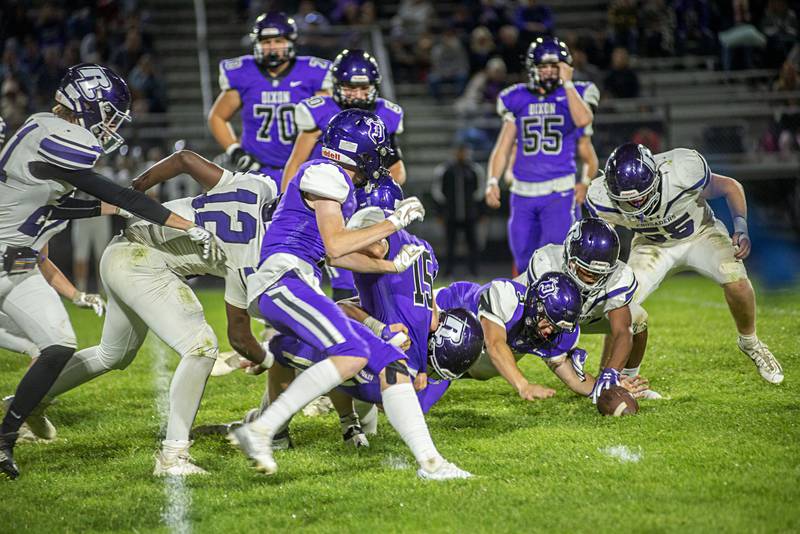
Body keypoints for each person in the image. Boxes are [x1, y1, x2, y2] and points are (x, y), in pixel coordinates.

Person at [0, 63, 215, 480]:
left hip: (18, 258)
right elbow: (113, 190)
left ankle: (5, 436)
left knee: (58, 346)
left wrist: (109, 207)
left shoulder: (41, 132)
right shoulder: (57, 136)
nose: (112, 125)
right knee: (38, 345)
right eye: (111, 113)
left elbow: (54, 205)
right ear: (87, 106)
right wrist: (182, 223)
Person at [230, 109, 470, 480]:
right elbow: (337, 244)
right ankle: (262, 430)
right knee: (354, 351)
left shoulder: (333, 179)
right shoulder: (325, 173)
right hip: (284, 278)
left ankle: (432, 464)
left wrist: (392, 266)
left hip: (296, 281)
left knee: (391, 362)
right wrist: (394, 222)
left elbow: (337, 252)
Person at [30, 150, 278, 476]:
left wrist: (137, 190)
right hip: (140, 262)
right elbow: (240, 337)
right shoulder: (254, 255)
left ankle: (26, 401)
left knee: (113, 354)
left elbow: (186, 159)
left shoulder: (257, 187)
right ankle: (173, 456)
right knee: (200, 348)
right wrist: (268, 360)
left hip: (122, 249)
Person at [586, 143, 784, 385]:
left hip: (700, 233)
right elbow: (602, 236)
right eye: (629, 201)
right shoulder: (601, 197)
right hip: (651, 246)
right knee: (620, 305)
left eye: (642, 197)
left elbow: (730, 187)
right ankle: (616, 378)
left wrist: (741, 227)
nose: (637, 206)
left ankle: (750, 342)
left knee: (736, 281)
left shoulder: (681, 170)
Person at [282, 48, 406, 301]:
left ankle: (373, 327)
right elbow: (296, 161)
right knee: (335, 269)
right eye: (350, 87)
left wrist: (380, 191)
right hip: (326, 199)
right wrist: (286, 199)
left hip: (363, 201)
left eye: (364, 88)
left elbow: (397, 168)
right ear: (337, 85)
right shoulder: (319, 110)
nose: (358, 94)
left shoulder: (387, 114)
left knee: (373, 269)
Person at [436, 272, 649, 402]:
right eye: (548, 322)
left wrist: (610, 386)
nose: (549, 332)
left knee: (479, 366)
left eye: (556, 328)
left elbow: (575, 380)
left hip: (464, 362)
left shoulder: (550, 330)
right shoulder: (506, 297)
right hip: (439, 318)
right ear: (536, 305)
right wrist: (523, 385)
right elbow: (494, 344)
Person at [485, 37, 599, 276]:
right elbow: (503, 146)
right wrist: (492, 180)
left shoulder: (578, 93)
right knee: (523, 261)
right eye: (543, 67)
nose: (548, 72)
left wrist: (567, 85)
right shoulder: (516, 97)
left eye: (554, 66)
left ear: (565, 67)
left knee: (558, 260)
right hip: (522, 194)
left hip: (559, 192)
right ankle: (525, 311)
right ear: (532, 69)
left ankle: (563, 309)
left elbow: (584, 120)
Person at [518, 218, 658, 401]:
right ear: (569, 259)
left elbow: (623, 331)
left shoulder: (618, 277)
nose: (593, 278)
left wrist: (611, 374)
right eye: (586, 270)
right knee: (486, 366)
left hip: (587, 315)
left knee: (638, 319)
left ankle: (627, 383)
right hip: (535, 321)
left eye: (601, 273)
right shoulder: (547, 263)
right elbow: (545, 333)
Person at [208, 12, 331, 191]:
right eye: (266, 42)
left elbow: (327, 120)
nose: (272, 47)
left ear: (291, 42)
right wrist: (235, 150)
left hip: (304, 166)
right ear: (257, 44)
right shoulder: (244, 72)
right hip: (258, 168)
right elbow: (217, 116)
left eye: (278, 41)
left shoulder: (312, 73)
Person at [431, 144, 484, 276]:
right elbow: (437, 193)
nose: (461, 154)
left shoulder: (474, 170)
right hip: (451, 215)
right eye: (459, 151)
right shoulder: (445, 170)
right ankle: (448, 271)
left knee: (472, 245)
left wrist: (482, 213)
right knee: (450, 245)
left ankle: (474, 271)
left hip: (470, 215)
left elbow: (480, 193)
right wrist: (440, 213)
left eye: (464, 151)